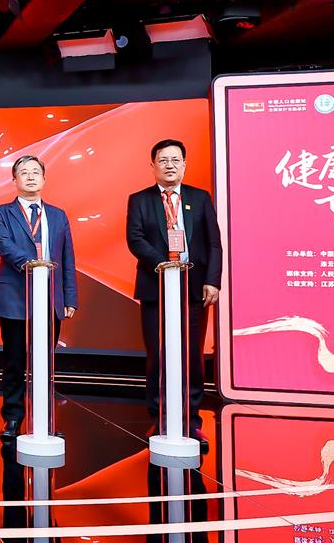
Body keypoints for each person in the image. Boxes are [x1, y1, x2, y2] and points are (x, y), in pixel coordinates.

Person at [126, 139, 221, 449]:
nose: (170, 165)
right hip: (156, 288)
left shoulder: (200, 198)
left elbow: (214, 243)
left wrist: (213, 281)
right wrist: (162, 264)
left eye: (175, 160)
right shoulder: (139, 200)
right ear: (153, 165)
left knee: (192, 356)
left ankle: (191, 421)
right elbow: (135, 238)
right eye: (163, 160)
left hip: (194, 289)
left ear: (184, 165)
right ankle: (161, 419)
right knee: (158, 356)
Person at [0, 154, 78, 441]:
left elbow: (67, 257)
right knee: (14, 361)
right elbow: (2, 244)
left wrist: (70, 297)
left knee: (45, 361)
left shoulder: (58, 215)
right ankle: (13, 418)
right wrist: (33, 264)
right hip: (14, 297)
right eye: (24, 172)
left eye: (35, 172)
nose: (30, 176)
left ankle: (44, 417)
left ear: (44, 179)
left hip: (50, 297)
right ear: (14, 179)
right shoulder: (1, 213)